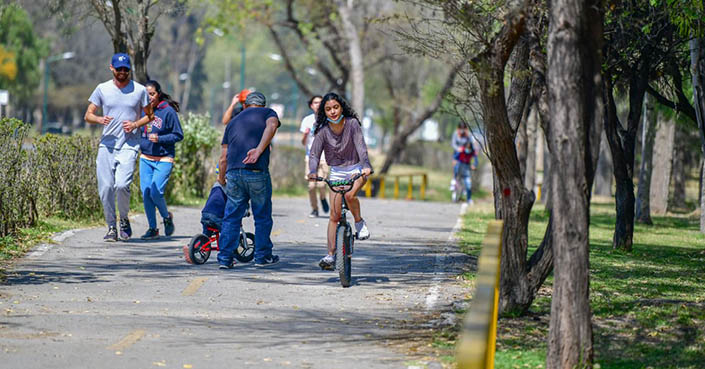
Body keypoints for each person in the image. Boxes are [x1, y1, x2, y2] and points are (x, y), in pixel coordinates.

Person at [84, 53, 153, 242]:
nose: (122, 72)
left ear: (129, 70)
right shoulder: (102, 89)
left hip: (129, 145)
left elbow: (150, 116)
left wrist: (135, 124)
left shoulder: (139, 90)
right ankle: (111, 226)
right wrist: (99, 119)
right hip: (107, 145)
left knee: (122, 185)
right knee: (106, 188)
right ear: (111, 68)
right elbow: (88, 115)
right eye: (119, 69)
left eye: (126, 69)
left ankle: (123, 219)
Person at [307, 92, 372, 271]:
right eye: (328, 109)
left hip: (356, 168)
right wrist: (312, 171)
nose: (333, 112)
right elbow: (314, 153)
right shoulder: (322, 130)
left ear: (342, 107)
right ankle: (330, 255)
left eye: (336, 107)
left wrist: (366, 166)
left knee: (350, 195)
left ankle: (359, 222)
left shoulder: (352, 124)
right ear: (324, 112)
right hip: (336, 172)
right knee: (334, 216)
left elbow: (361, 147)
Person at [216, 91, 280, 269]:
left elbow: (223, 157)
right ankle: (262, 257)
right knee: (262, 216)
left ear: (244, 106)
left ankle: (225, 259)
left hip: (234, 173)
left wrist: (221, 179)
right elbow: (272, 126)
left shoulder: (233, 121)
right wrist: (259, 150)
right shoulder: (268, 113)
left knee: (231, 217)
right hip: (257, 172)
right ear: (263, 105)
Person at [138, 80, 184, 239]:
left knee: (156, 193)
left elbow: (178, 135)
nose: (149, 97)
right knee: (146, 193)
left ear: (158, 94)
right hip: (145, 158)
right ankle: (153, 228)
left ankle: (166, 217)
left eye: (152, 94)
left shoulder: (168, 111)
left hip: (164, 158)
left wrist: (160, 138)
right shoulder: (142, 109)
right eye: (147, 94)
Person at [299, 95, 329, 218]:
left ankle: (322, 198)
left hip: (325, 156)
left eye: (320, 102)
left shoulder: (328, 120)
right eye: (315, 103)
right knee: (311, 186)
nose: (318, 105)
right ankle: (315, 209)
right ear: (311, 105)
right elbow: (303, 142)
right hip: (310, 157)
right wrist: (305, 135)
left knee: (322, 184)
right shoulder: (307, 120)